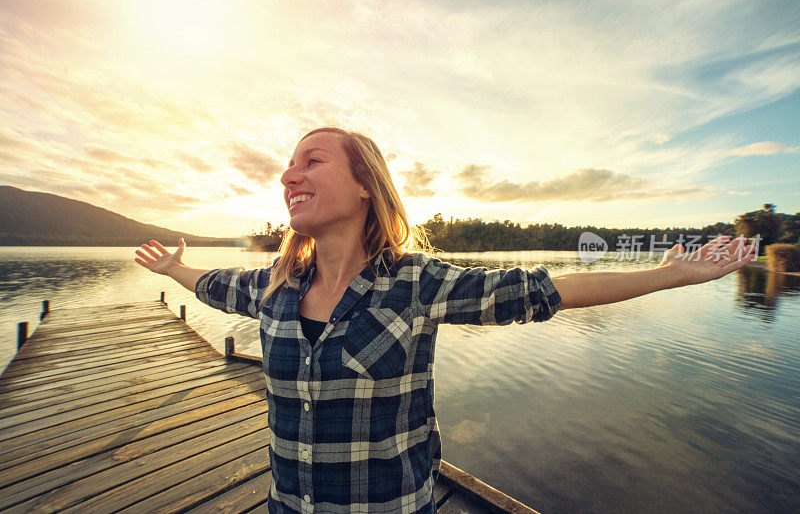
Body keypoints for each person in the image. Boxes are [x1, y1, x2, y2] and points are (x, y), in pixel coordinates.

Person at [134, 126, 756, 513]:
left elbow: (542, 291)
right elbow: (214, 287)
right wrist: (173, 272)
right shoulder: (273, 287)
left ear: (364, 187)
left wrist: (671, 274)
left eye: (312, 160)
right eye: (288, 165)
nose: (288, 174)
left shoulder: (417, 283)